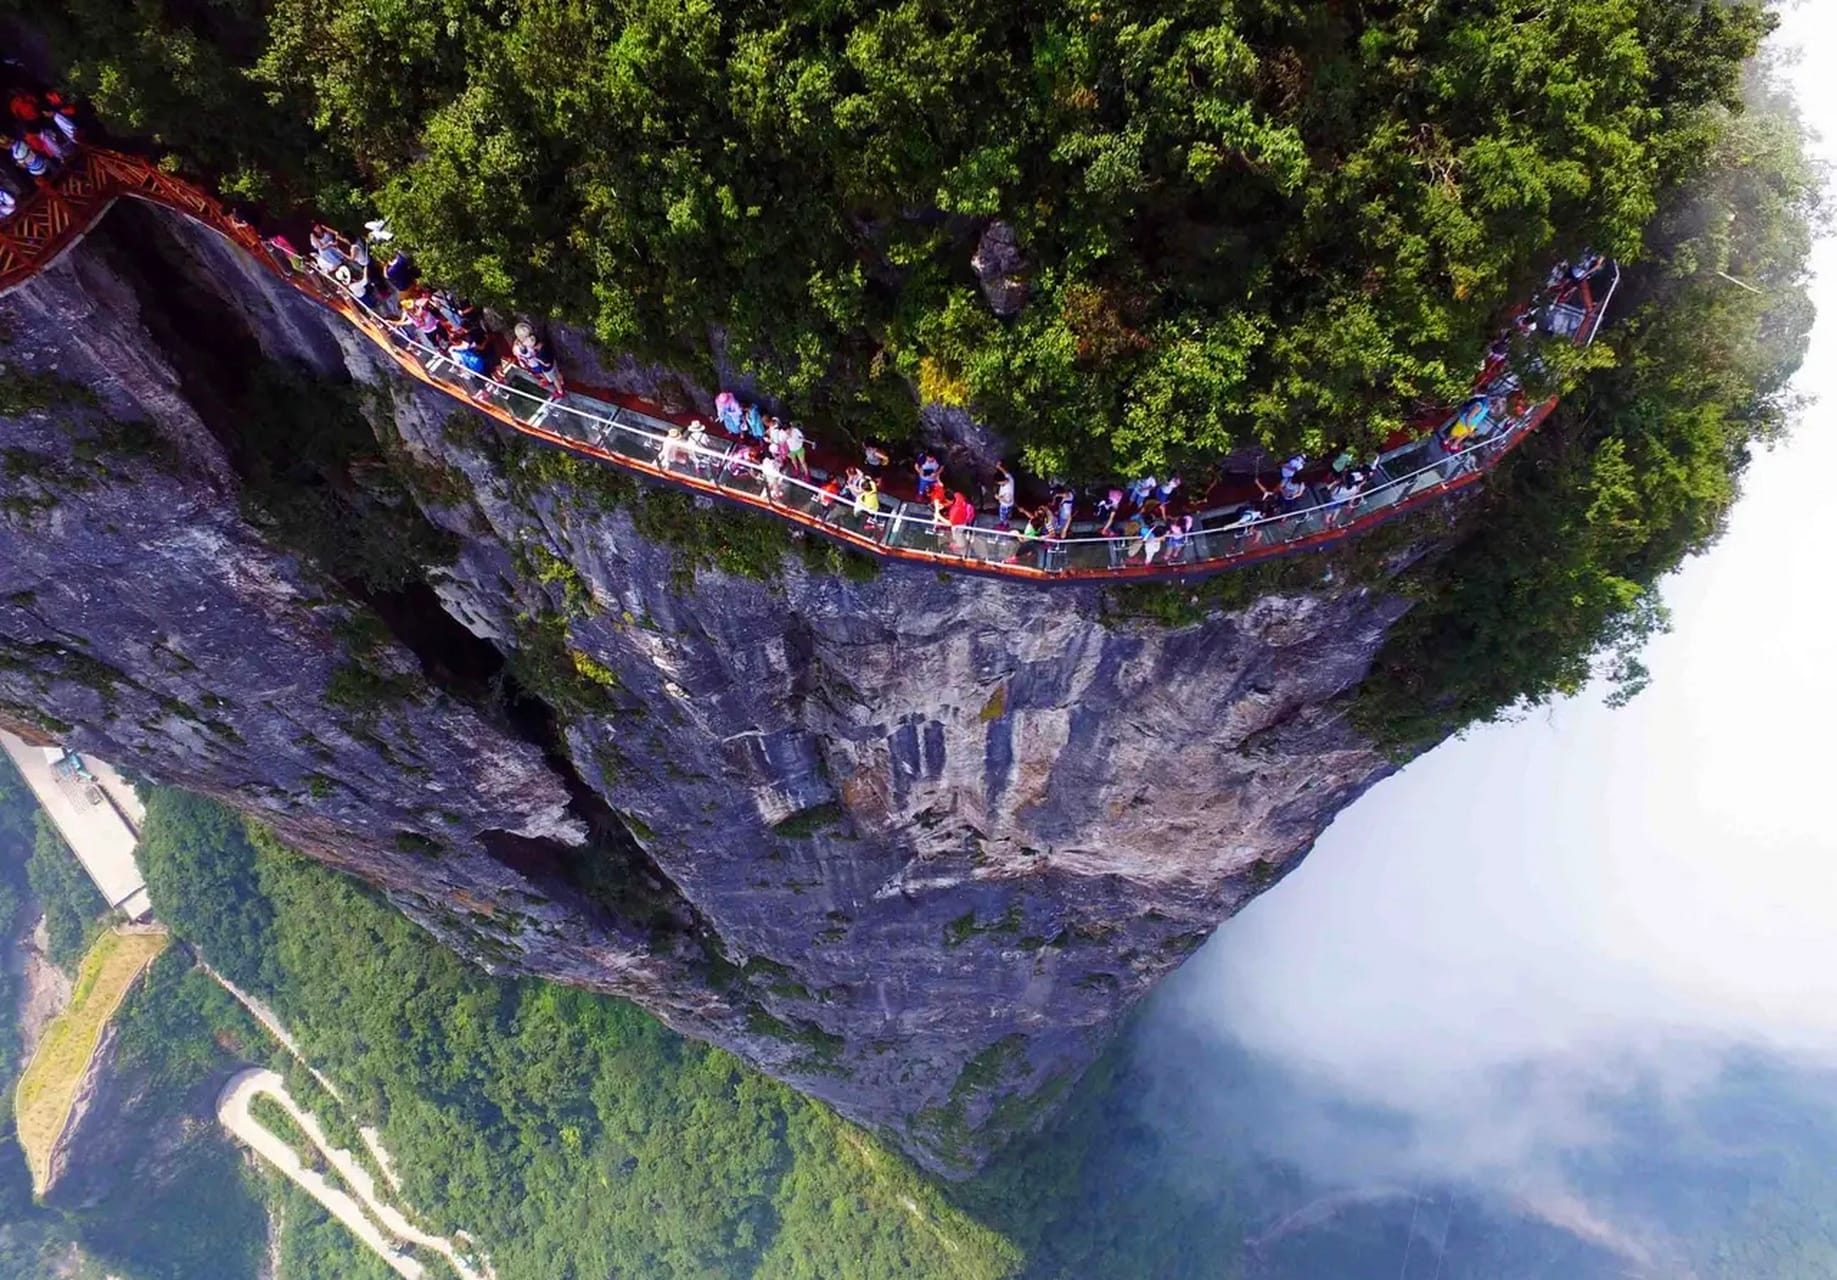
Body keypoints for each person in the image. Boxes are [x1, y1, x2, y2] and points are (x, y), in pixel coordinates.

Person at [512, 322, 564, 398]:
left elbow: (546, 364)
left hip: (548, 369)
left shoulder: (539, 355)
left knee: (554, 379)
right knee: (557, 372)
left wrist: (537, 359)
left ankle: (560, 391)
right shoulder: (543, 346)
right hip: (553, 362)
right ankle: (562, 381)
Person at [994, 462, 1016, 529]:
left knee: (1003, 516)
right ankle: (1003, 523)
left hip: (1006, 505)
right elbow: (1006, 472)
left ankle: (1005, 525)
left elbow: (1008, 501)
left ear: (1001, 481)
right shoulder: (1010, 479)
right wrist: (999, 467)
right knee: (1003, 516)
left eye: (999, 483)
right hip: (1005, 502)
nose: (999, 484)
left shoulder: (1008, 490)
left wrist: (999, 498)